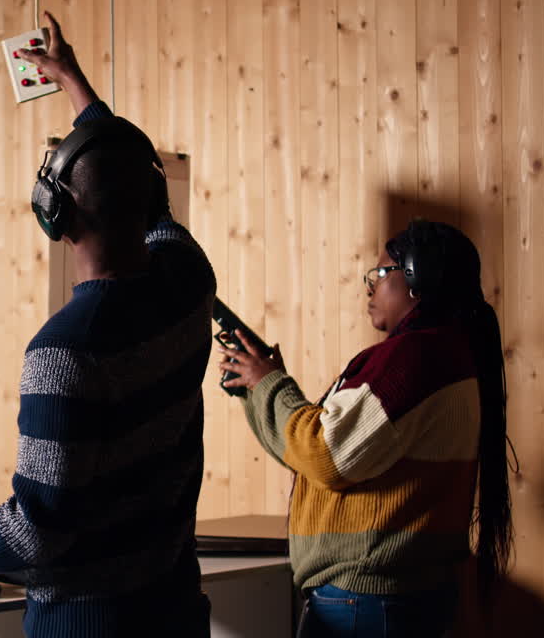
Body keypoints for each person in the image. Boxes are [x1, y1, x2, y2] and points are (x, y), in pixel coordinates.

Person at [0, 12, 216, 637]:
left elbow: (33, 531)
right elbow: (144, 192)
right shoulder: (188, 277)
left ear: (54, 214)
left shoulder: (65, 350)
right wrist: (73, 82)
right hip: (176, 609)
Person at [217, 220, 512, 638]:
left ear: (414, 279)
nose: (370, 287)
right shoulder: (445, 353)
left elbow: (325, 455)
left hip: (368, 602)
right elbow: (312, 453)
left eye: (381, 274)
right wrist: (260, 385)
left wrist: (267, 383)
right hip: (393, 599)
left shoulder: (414, 358)